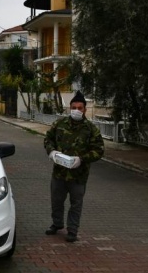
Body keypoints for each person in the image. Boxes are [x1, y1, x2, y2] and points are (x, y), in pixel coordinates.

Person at [43, 91, 104, 243]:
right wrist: (51, 151)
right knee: (56, 201)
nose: (76, 110)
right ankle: (56, 224)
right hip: (59, 173)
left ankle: (72, 230)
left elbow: (99, 150)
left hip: (78, 175)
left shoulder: (91, 129)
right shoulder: (59, 124)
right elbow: (48, 139)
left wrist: (82, 159)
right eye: (74, 107)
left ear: (84, 110)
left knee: (76, 204)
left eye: (80, 108)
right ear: (69, 108)